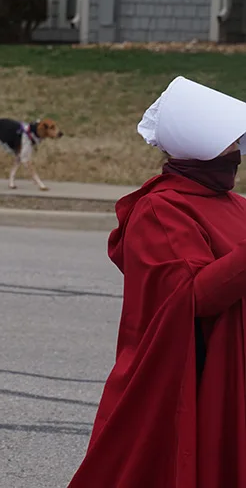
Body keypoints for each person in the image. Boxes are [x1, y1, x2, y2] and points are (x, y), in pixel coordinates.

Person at [67, 76, 246, 487]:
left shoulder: (236, 205)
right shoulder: (159, 210)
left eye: (236, 141)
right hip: (201, 379)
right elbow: (193, 297)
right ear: (194, 143)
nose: (236, 152)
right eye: (226, 141)